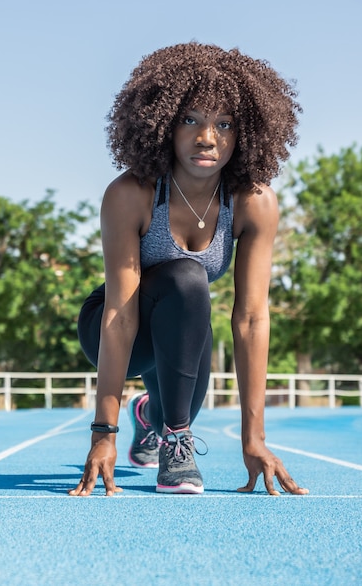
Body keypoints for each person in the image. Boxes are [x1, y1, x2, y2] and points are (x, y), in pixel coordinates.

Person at [69, 42, 309, 497]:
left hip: (183, 326)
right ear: (162, 124)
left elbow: (252, 317)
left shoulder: (253, 202)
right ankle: (174, 443)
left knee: (187, 307)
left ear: (245, 134)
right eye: (190, 120)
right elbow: (120, 315)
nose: (207, 138)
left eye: (224, 124)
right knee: (186, 275)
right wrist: (103, 434)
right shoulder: (131, 194)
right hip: (115, 325)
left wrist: (254, 439)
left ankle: (152, 417)